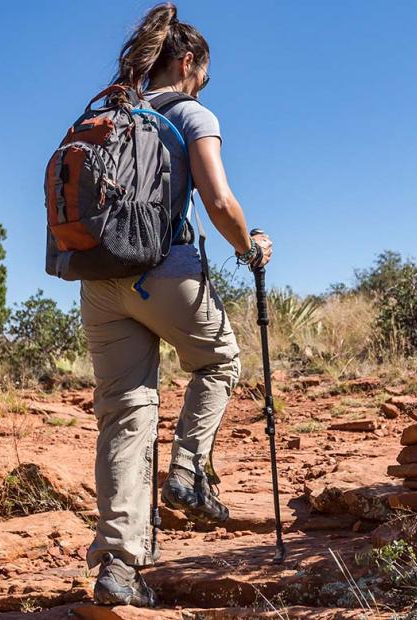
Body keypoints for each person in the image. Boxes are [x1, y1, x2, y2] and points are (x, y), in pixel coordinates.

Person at [80, 2, 273, 607]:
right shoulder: (192, 113)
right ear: (187, 63)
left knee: (125, 414)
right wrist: (252, 246)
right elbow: (218, 202)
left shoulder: (108, 111)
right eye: (204, 74)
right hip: (165, 271)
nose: (204, 84)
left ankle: (117, 566)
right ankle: (189, 472)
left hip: (98, 279)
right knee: (219, 360)